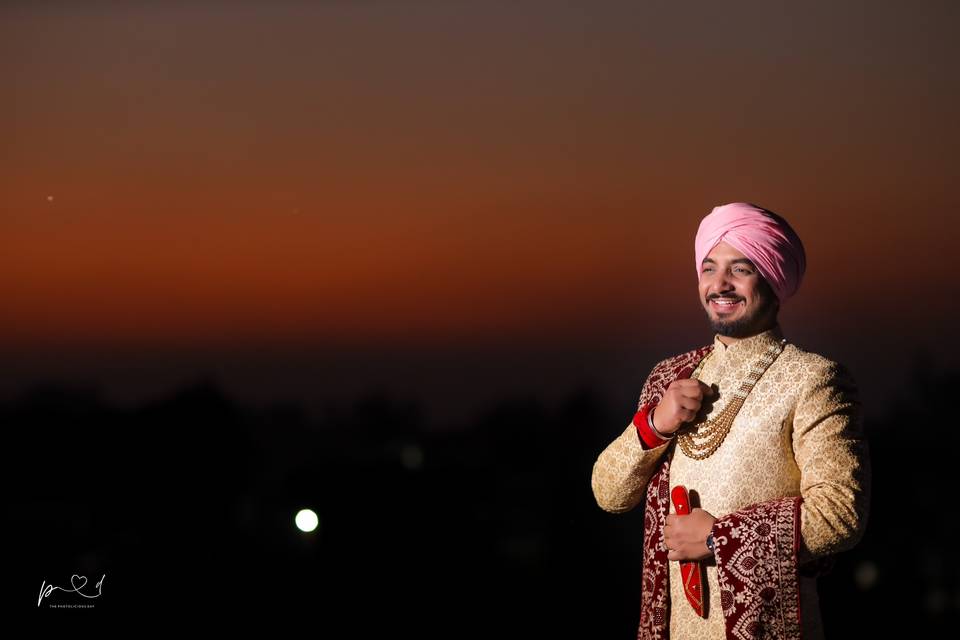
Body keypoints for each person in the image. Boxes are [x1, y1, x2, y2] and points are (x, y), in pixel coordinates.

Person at [591, 202, 870, 639]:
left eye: (739, 269)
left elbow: (841, 514)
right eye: (709, 269)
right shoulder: (670, 377)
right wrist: (655, 424)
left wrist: (719, 538)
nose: (719, 284)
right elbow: (608, 494)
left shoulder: (811, 378)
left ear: (774, 279)